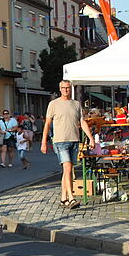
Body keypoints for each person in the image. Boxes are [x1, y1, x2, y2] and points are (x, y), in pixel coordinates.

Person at [40, 80, 95, 209]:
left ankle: (63, 198)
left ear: (71, 89)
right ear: (60, 89)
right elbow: (47, 124)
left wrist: (91, 138)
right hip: (60, 141)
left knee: (67, 171)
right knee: (68, 168)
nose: (66, 90)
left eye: (68, 88)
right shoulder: (53, 104)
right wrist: (44, 142)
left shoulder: (76, 104)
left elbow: (82, 122)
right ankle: (71, 198)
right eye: (63, 88)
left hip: (74, 140)